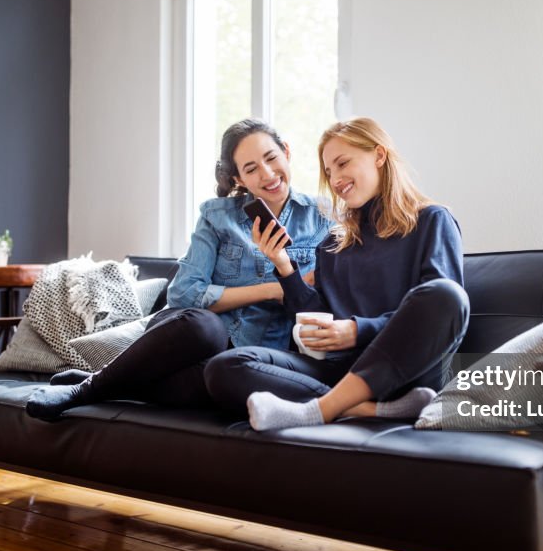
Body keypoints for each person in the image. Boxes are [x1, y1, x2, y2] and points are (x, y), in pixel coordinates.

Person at [25, 119, 332, 420]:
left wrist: (286, 279)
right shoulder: (216, 216)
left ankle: (112, 380)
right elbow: (184, 293)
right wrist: (276, 289)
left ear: (286, 152)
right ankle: (87, 390)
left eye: (271, 158)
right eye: (251, 169)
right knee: (207, 327)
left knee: (220, 381)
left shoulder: (323, 219)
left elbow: (312, 306)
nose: (268, 174)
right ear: (239, 179)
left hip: (249, 355)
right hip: (188, 338)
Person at [204, 117, 470, 430]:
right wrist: (282, 264)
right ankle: (365, 409)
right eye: (329, 172)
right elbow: (318, 315)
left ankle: (321, 408)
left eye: (343, 163)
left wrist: (357, 331)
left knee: (447, 295)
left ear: (379, 156)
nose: (336, 179)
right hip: (340, 368)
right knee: (225, 366)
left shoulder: (432, 221)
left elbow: (439, 313)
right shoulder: (334, 241)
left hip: (404, 371)